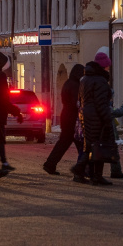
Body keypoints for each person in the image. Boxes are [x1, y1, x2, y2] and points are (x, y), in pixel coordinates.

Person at [70, 51, 116, 186]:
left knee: (89, 145)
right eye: (107, 66)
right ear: (103, 66)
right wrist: (107, 119)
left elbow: (81, 99)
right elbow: (101, 103)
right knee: (98, 146)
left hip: (86, 116)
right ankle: (91, 174)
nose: (108, 68)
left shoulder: (84, 79)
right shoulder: (100, 81)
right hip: (96, 117)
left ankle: (84, 172)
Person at [43, 63, 85, 176]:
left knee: (65, 143)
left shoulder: (68, 83)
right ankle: (83, 167)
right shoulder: (75, 85)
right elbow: (75, 102)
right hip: (72, 118)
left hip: (66, 116)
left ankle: (50, 164)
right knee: (80, 143)